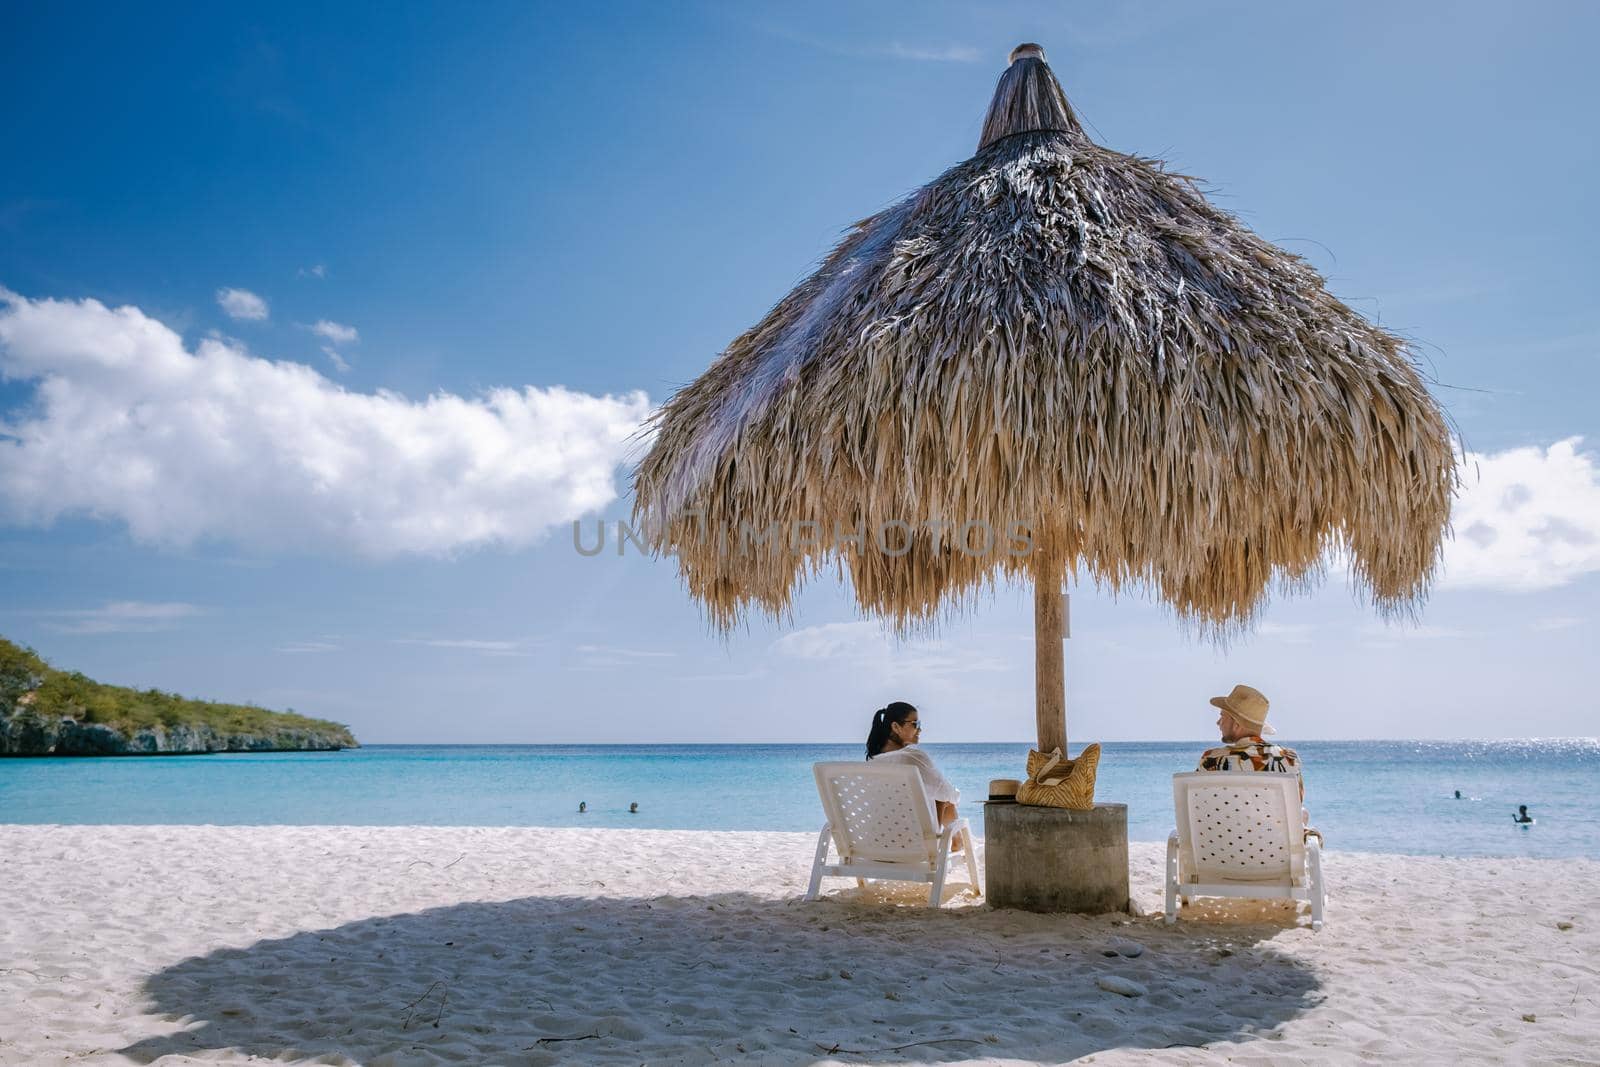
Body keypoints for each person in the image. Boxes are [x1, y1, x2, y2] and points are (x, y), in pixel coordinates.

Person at [866, 701, 963, 850]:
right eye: (915, 724)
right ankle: (958, 843)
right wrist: (956, 796)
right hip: (917, 846)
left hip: (878, 845)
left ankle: (957, 843)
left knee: (938, 795)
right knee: (944, 799)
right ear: (895, 727)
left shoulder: (872, 763)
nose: (920, 729)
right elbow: (947, 793)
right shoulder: (912, 757)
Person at [1198, 684, 1303, 799]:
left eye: (1222, 716)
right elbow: (1296, 803)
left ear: (1237, 724)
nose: (1218, 722)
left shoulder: (1211, 759)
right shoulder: (1289, 759)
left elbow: (1199, 802)